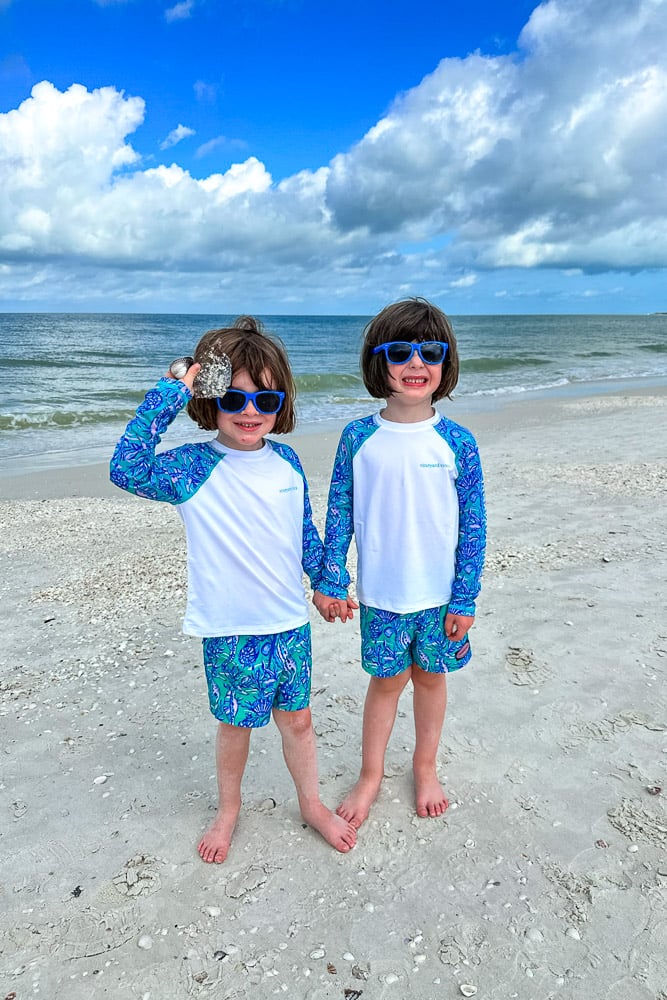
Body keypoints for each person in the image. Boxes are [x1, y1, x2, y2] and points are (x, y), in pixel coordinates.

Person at [110, 316, 357, 862]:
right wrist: (176, 385)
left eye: (266, 400)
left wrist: (328, 583)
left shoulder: (286, 460)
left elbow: (304, 536)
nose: (250, 411)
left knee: (299, 721)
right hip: (229, 630)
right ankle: (228, 810)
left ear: (281, 405)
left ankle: (311, 803)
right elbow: (125, 467)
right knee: (235, 727)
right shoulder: (193, 467)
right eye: (234, 398)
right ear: (211, 399)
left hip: (288, 624)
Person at [313, 298, 486, 829]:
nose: (416, 363)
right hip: (382, 596)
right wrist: (332, 578)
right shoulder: (358, 438)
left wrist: (465, 595)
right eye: (400, 352)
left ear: (446, 362)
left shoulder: (458, 441)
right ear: (378, 362)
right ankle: (371, 776)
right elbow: (339, 514)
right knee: (386, 684)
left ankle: (425, 766)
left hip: (440, 598)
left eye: (430, 352)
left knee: (431, 679)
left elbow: (473, 527)